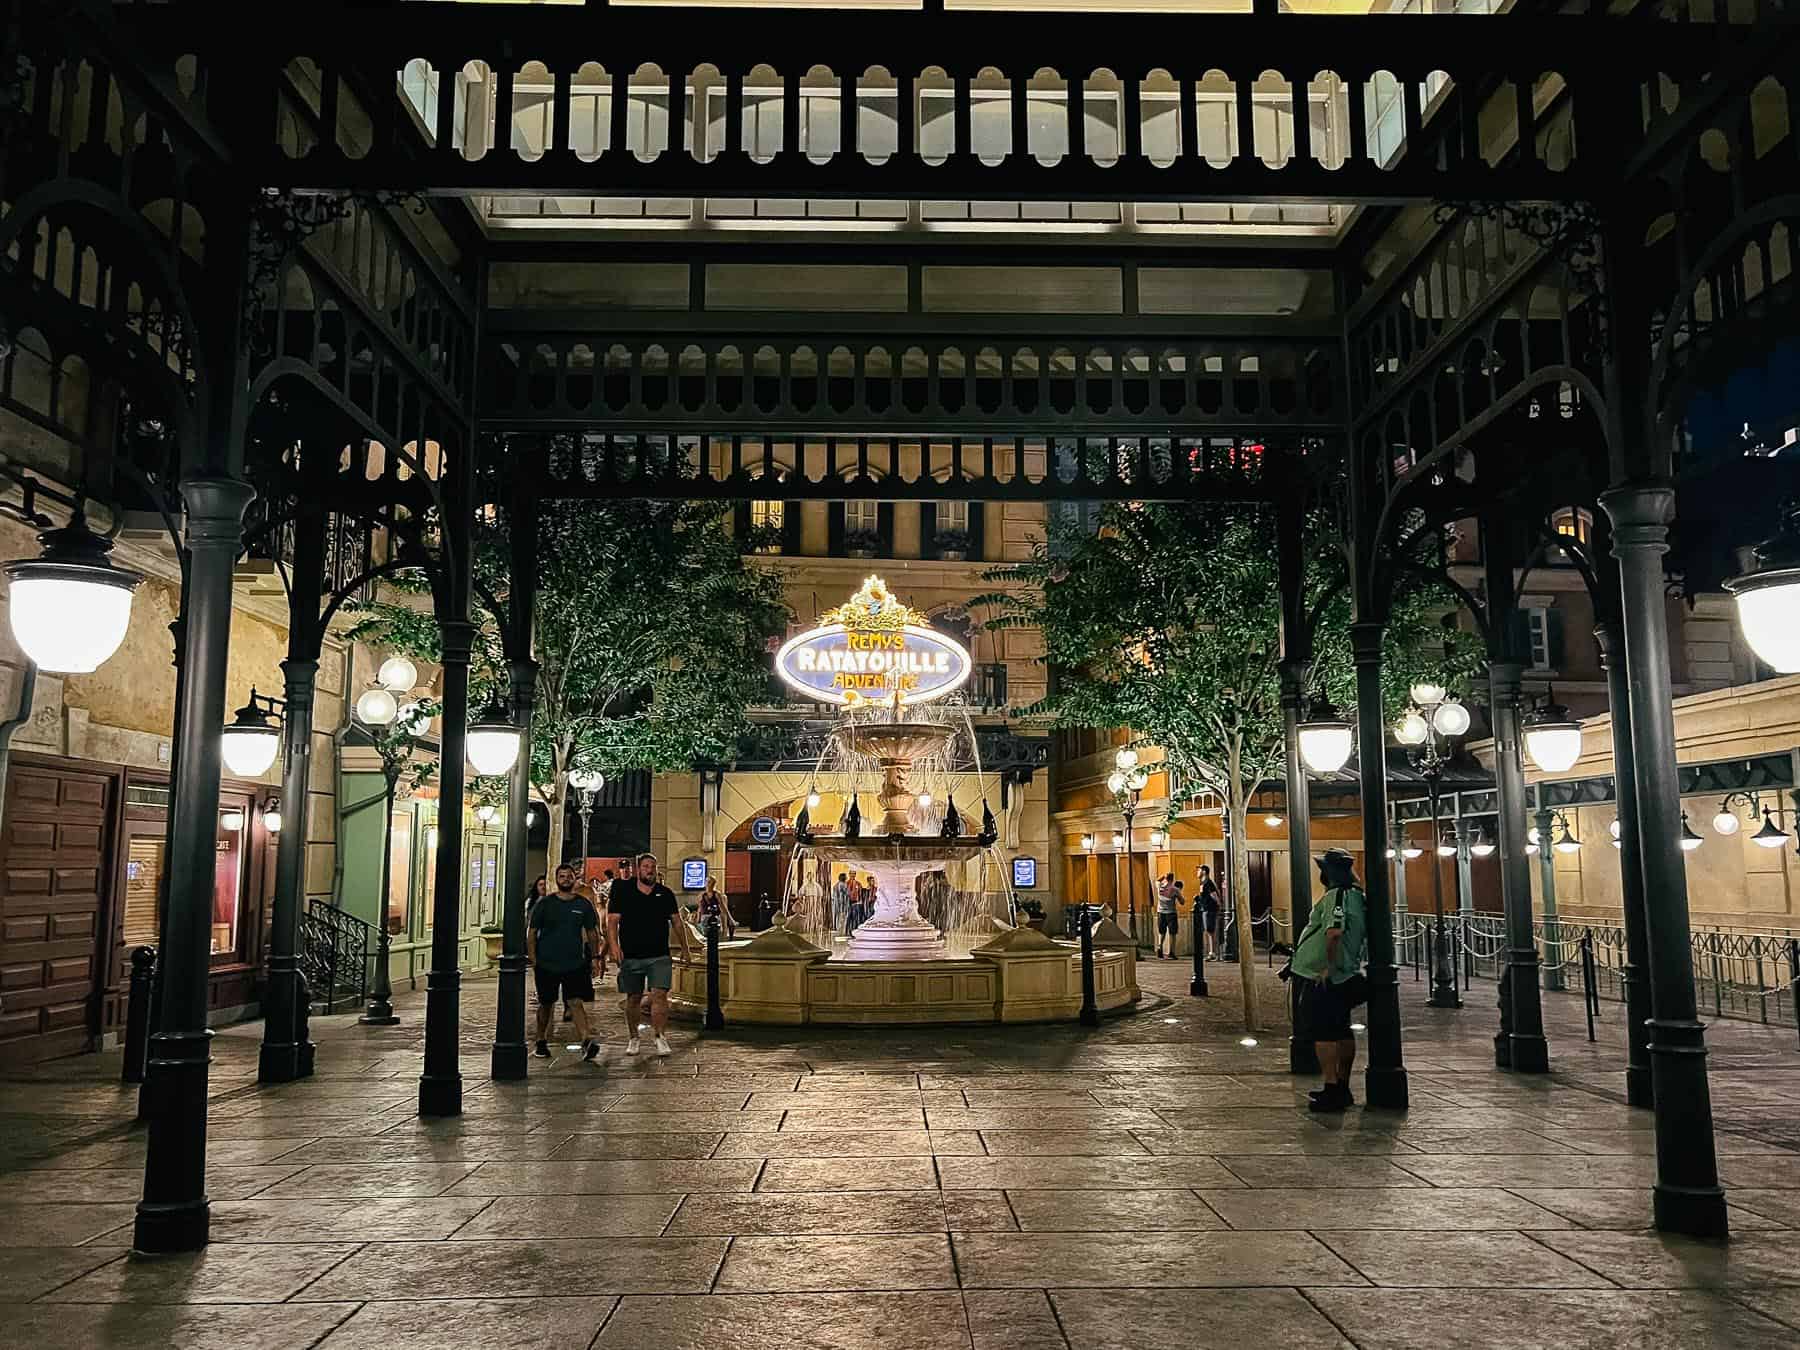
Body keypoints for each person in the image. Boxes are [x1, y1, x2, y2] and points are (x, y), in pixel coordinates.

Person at [1291, 847, 1368, 1113]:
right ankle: (1342, 1086)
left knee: (1323, 1032)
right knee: (1341, 1029)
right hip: (1346, 972)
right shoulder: (1357, 896)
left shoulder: (1337, 895)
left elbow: (1334, 932)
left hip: (1326, 976)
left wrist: (1328, 968)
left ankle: (1332, 1086)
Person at [607, 851, 693, 1056]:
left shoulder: (665, 894)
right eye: (646, 866)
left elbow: (677, 922)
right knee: (633, 998)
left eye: (653, 867)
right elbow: (612, 922)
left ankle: (660, 1036)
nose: (650, 870)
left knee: (660, 995)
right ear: (638, 869)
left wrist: (685, 948)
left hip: (659, 954)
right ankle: (633, 1037)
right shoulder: (624, 892)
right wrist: (614, 947)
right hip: (631, 955)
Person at [527, 863, 602, 1061]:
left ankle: (586, 1040)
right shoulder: (545, 904)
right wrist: (533, 958)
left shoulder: (583, 905)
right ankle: (541, 1040)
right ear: (556, 879)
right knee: (546, 1004)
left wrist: (595, 957)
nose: (566, 879)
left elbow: (592, 932)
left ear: (574, 879)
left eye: (569, 876)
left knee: (575, 1002)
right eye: (562, 876)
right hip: (547, 963)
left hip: (574, 963)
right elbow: (532, 932)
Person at [1197, 864, 1222, 958]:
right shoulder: (1203, 882)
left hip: (1210, 909)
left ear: (1204, 872)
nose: (1197, 872)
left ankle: (1213, 952)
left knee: (1210, 930)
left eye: (1199, 870)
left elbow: (1213, 894)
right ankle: (1211, 952)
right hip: (1206, 909)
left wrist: (1219, 904)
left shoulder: (1207, 882)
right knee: (1209, 930)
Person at [1154, 872, 1180, 959]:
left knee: (1162, 932)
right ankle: (1172, 952)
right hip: (1171, 913)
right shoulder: (1175, 889)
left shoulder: (1160, 886)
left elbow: (1157, 880)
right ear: (1172, 879)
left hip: (1160, 912)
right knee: (1172, 933)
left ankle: (1159, 947)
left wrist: (1163, 876)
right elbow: (1182, 901)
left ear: (1166, 878)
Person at [831, 871, 851, 937]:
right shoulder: (843, 885)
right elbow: (847, 894)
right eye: (846, 877)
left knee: (838, 918)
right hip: (843, 905)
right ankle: (842, 933)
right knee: (843, 919)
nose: (846, 878)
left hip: (836, 904)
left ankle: (839, 932)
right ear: (843, 878)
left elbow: (834, 896)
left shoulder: (836, 885)